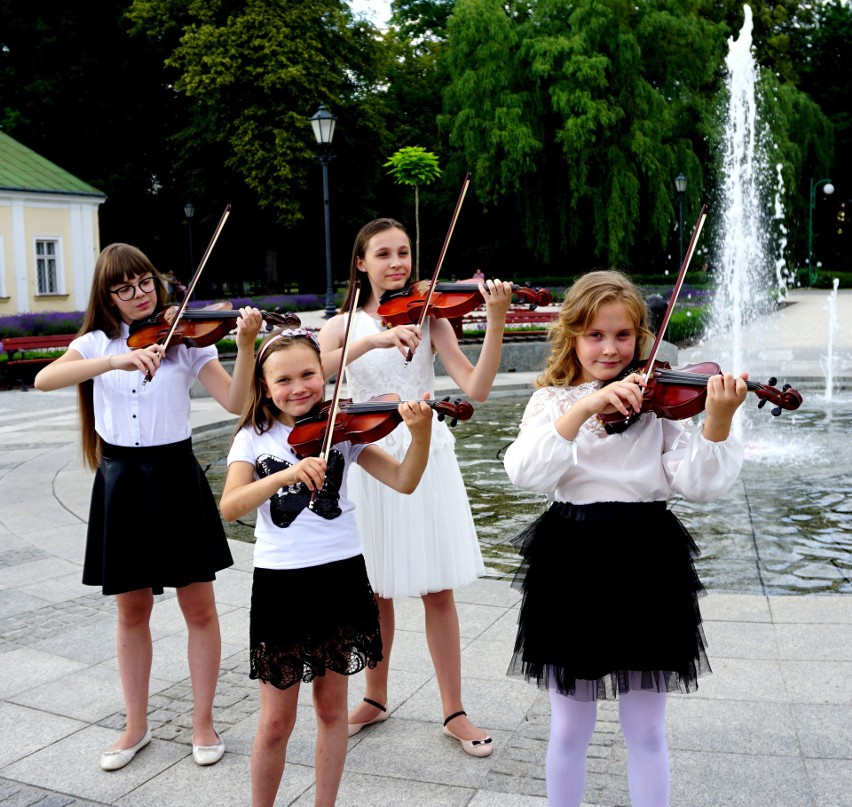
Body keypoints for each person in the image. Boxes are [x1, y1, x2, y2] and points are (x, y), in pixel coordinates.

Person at [502, 270, 748, 806]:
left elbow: (698, 483)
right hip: (570, 557)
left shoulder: (661, 404)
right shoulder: (551, 404)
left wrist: (719, 422)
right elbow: (525, 472)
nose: (610, 348)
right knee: (569, 728)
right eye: (596, 335)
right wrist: (586, 406)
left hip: (647, 557)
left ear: (641, 337)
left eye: (623, 335)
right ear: (572, 337)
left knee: (647, 731)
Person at [34, 243, 263, 771]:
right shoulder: (95, 342)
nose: (138, 294)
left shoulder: (185, 343)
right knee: (131, 611)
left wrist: (246, 344)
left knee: (199, 607)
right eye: (124, 287)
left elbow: (234, 403)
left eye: (144, 283)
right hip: (122, 482)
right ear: (108, 295)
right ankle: (135, 726)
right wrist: (115, 359)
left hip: (175, 477)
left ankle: (202, 722)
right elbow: (45, 379)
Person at [318, 217, 513, 756]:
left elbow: (476, 387)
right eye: (383, 254)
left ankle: (453, 710)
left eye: (403, 252)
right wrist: (374, 338)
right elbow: (314, 366)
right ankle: (375, 698)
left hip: (424, 451)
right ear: (361, 263)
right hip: (371, 455)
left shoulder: (431, 320)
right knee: (375, 587)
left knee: (436, 589)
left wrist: (494, 320)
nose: (397, 263)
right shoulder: (342, 325)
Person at [219, 322, 433, 807]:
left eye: (308, 375)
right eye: (284, 380)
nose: (299, 388)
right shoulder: (252, 439)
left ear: (325, 374)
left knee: (332, 708)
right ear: (265, 388)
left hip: (339, 577)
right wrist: (287, 475)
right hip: (282, 586)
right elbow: (230, 506)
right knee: (275, 720)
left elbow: (404, 481)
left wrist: (419, 434)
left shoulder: (343, 431)